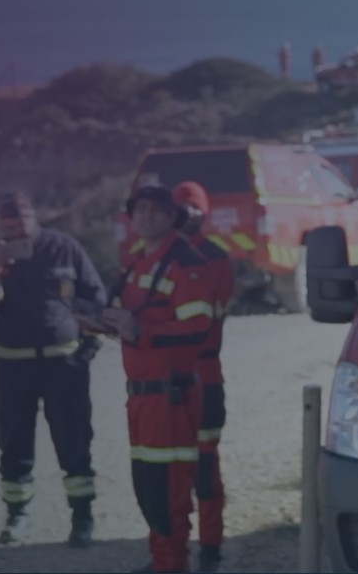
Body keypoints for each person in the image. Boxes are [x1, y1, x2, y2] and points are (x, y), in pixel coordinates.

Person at [0, 190, 107, 546]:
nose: (16, 232)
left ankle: (82, 518)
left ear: (36, 218)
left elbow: (95, 297)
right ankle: (17, 517)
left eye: (22, 223)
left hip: (63, 364)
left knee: (74, 441)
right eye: (9, 226)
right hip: (12, 367)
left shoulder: (65, 248)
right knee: (14, 445)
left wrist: (88, 348)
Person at [98, 186, 222, 574]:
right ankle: (161, 563)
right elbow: (130, 319)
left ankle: (173, 566)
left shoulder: (186, 263)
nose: (146, 217)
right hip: (142, 399)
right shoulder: (137, 263)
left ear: (172, 216)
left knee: (168, 494)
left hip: (170, 398)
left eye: (155, 210)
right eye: (140, 210)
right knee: (150, 490)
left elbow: (198, 327)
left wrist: (140, 331)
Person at [171, 182, 236, 574]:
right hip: (167, 376)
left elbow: (204, 317)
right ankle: (170, 553)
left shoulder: (216, 258)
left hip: (205, 375)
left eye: (191, 209)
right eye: (179, 209)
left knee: (205, 469)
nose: (185, 216)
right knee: (167, 471)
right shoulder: (157, 255)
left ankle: (211, 548)